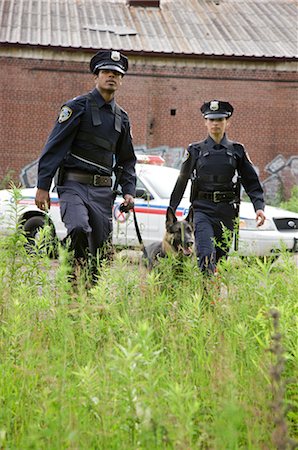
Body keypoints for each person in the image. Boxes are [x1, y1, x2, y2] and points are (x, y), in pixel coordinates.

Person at [35, 50, 136, 281]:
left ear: (121, 80)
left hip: (103, 191)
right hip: (73, 185)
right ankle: (73, 278)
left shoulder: (122, 118)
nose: (111, 76)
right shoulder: (76, 107)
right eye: (106, 72)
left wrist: (129, 191)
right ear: (96, 76)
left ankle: (89, 294)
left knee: (100, 250)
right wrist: (43, 186)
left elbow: (127, 160)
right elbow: (54, 147)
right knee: (79, 228)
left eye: (117, 74)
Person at [169, 99, 266, 275]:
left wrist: (259, 207)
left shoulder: (237, 150)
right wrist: (172, 208)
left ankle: (213, 298)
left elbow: (251, 181)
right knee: (206, 254)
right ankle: (206, 300)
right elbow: (182, 180)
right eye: (211, 120)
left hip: (226, 212)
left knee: (220, 259)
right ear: (205, 122)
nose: (215, 124)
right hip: (202, 210)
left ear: (227, 122)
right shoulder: (195, 150)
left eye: (219, 120)